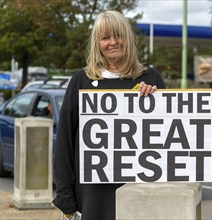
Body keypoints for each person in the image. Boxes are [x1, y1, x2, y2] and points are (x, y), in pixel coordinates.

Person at [52, 10, 166, 220]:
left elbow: (168, 140)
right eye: (105, 38)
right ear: (97, 43)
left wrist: (157, 101)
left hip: (140, 195)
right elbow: (65, 143)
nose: (113, 42)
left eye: (118, 35)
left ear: (128, 38)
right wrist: (65, 197)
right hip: (93, 198)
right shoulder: (81, 80)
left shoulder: (151, 78)